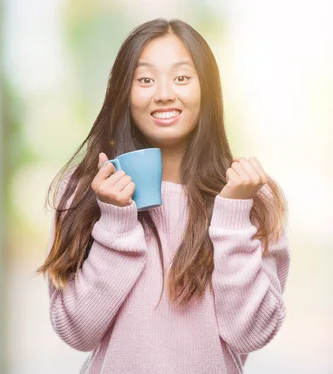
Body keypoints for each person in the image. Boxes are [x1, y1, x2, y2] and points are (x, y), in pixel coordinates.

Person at [37, 18, 290, 374]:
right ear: (123, 91)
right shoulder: (85, 190)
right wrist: (114, 221)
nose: (164, 93)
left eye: (182, 78)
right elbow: (77, 332)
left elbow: (251, 334)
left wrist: (233, 215)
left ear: (208, 90)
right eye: (145, 79)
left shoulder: (252, 194)